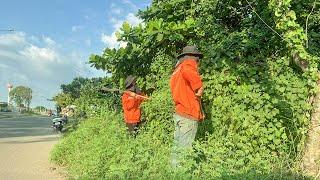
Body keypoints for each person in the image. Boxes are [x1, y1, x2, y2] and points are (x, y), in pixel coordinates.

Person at [170, 45, 205, 168]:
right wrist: (200, 87)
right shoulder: (188, 65)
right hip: (188, 114)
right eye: (197, 59)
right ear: (192, 57)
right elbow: (197, 86)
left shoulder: (176, 71)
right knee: (184, 150)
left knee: (177, 147)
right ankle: (181, 174)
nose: (198, 62)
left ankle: (173, 173)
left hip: (179, 113)